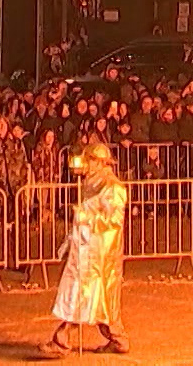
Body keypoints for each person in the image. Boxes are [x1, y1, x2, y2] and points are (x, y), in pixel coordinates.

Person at [39, 143, 129, 358]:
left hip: (101, 252)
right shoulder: (91, 183)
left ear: (99, 162)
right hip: (87, 247)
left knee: (84, 293)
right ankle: (118, 337)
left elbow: (114, 220)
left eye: (89, 160)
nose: (85, 165)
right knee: (98, 298)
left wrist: (86, 218)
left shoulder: (112, 186)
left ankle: (62, 339)